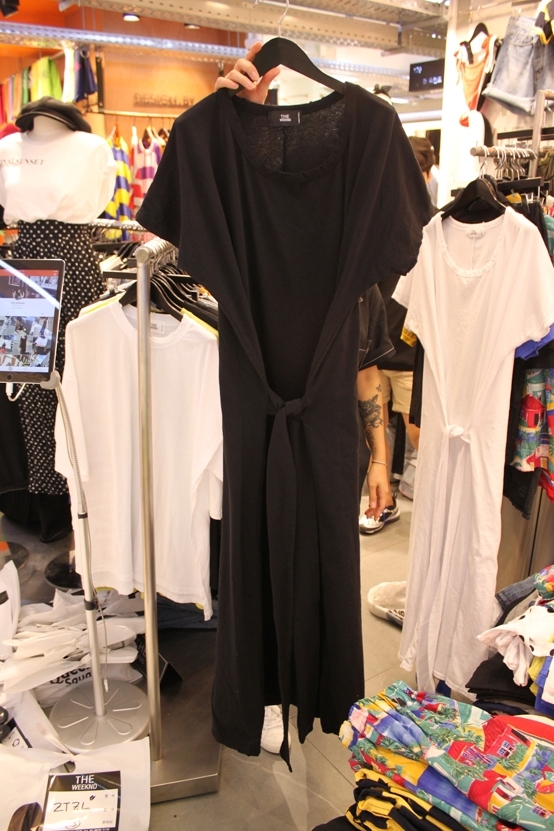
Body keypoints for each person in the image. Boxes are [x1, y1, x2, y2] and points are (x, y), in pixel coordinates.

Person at [214, 44, 396, 753]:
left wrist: (378, 459)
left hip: (326, 432)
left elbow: (369, 372)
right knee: (254, 559)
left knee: (325, 563)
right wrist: (229, 118)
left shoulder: (372, 142)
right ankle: (264, 695)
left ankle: (316, 693)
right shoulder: (212, 148)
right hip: (256, 425)